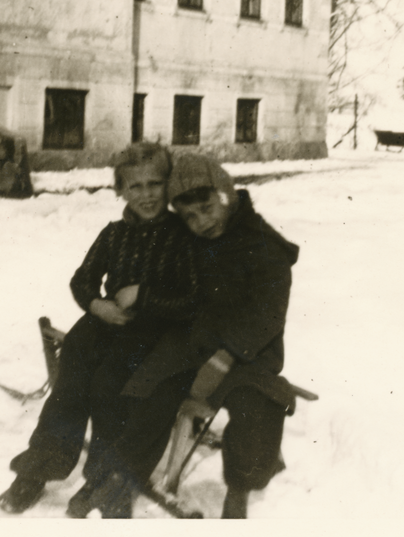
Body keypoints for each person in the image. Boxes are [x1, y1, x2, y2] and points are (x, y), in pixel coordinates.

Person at [90, 153, 300, 519]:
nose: (201, 222)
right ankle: (119, 479)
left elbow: (267, 316)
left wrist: (224, 359)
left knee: (258, 403)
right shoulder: (191, 242)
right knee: (151, 387)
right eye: (189, 216)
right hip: (193, 342)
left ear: (226, 196)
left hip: (247, 351)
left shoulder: (263, 245)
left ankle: (239, 489)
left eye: (207, 208)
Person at [0, 143, 199, 517]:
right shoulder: (114, 234)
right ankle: (39, 467)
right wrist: (96, 304)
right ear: (120, 190)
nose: (146, 194)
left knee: (110, 386)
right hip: (103, 325)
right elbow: (82, 279)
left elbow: (191, 299)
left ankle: (103, 479)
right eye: (135, 186)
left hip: (152, 333)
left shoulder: (182, 237)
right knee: (70, 387)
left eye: (155, 184)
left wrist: (146, 297)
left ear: (168, 185)